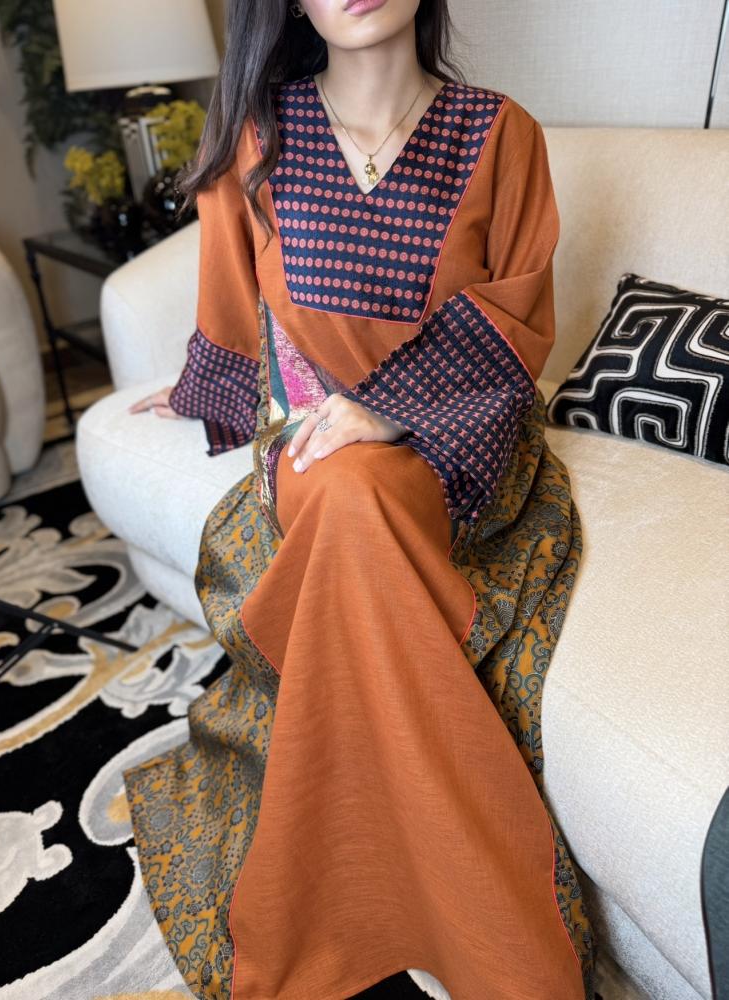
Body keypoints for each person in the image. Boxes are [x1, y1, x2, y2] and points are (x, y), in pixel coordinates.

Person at [123, 1, 597, 998]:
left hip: (456, 444)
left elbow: (518, 314)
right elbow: (230, 308)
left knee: (354, 497)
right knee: (337, 490)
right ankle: (505, 951)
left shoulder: (499, 132)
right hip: (309, 451)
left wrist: (390, 409)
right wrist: (200, 387)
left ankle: (342, 911)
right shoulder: (259, 140)